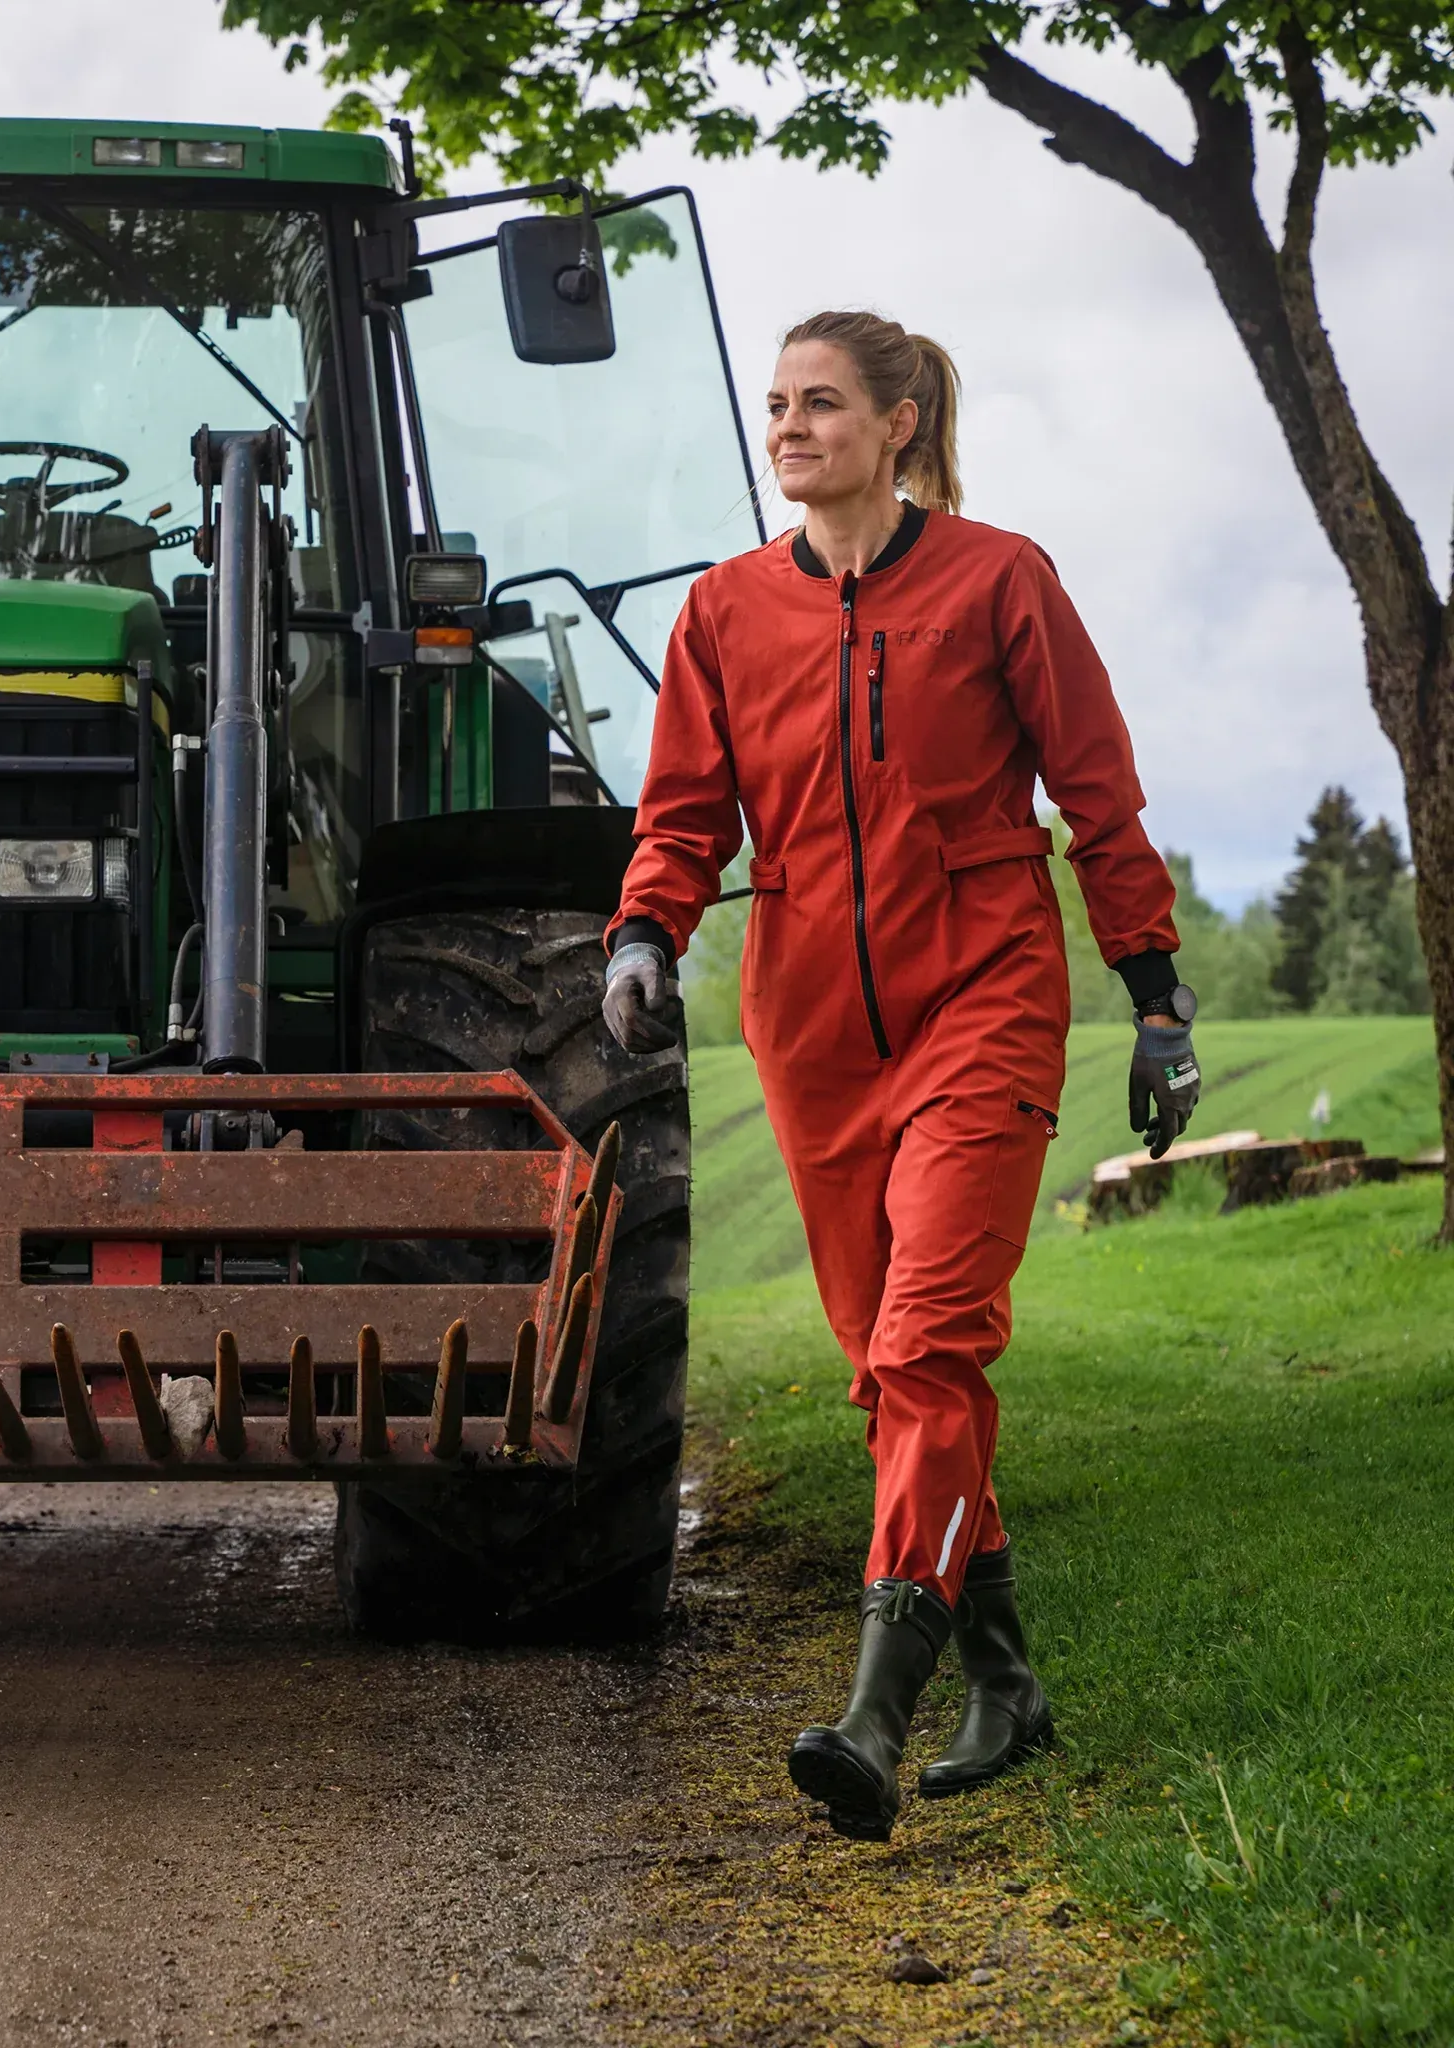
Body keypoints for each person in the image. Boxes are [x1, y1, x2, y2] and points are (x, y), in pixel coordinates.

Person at [601, 310, 1201, 1842]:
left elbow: (1096, 791)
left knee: (931, 1343)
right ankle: (1009, 1680)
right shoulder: (727, 613)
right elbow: (682, 812)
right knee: (888, 1370)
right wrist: (645, 937)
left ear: (901, 420)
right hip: (810, 1035)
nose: (787, 430)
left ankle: (877, 1709)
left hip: (984, 999)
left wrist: (1153, 992)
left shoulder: (1001, 580)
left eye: (819, 405)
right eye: (776, 406)